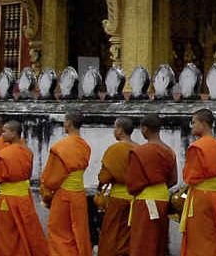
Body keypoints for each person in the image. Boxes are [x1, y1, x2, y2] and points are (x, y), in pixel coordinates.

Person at [0, 120, 50, 256]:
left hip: (7, 199)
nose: (2, 134)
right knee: (27, 231)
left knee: (6, 235)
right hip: (24, 198)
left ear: (14, 133)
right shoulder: (27, 152)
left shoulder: (3, 155)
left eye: (5, 131)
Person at [179, 108, 216, 256]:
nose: (192, 126)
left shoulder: (197, 147)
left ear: (203, 124)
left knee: (199, 239)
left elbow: (189, 177)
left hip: (200, 199)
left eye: (194, 122)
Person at [125, 114, 178, 256]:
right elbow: (174, 180)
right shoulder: (169, 151)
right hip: (163, 199)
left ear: (145, 129)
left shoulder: (139, 152)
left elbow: (132, 183)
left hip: (145, 201)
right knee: (159, 243)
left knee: (143, 243)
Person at [41, 110, 92, 256]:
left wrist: (46, 195)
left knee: (59, 232)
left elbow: (52, 179)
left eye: (64, 121)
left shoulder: (61, 147)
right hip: (79, 195)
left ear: (68, 123)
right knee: (79, 231)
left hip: (63, 195)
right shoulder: (85, 146)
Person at [95, 117, 138, 256]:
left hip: (117, 199)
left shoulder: (114, 149)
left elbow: (104, 177)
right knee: (130, 236)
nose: (114, 131)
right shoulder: (140, 149)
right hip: (136, 199)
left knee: (111, 235)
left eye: (115, 128)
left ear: (120, 130)